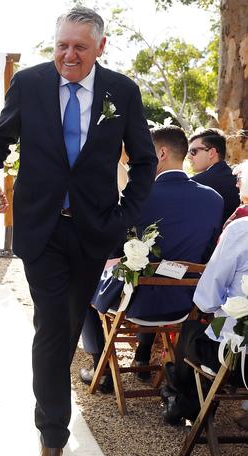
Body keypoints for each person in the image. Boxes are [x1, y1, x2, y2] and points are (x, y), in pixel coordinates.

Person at [0, 7, 157, 456]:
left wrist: (125, 216)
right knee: (53, 327)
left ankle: (54, 423)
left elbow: (144, 159)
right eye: (61, 45)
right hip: (42, 229)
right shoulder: (31, 83)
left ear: (100, 46)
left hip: (94, 229)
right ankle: (51, 439)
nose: (68, 55)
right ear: (52, 43)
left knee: (72, 323)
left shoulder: (123, 91)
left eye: (79, 46)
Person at [79, 126, 224, 390]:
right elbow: (206, 255)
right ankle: (143, 356)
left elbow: (113, 250)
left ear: (161, 153)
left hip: (136, 303)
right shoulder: (213, 200)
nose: (137, 160)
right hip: (185, 304)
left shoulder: (138, 197)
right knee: (150, 270)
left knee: (80, 282)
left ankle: (101, 368)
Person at [162, 215, 248, 424]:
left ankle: (182, 398)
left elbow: (206, 300)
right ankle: (177, 388)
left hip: (239, 364)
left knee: (192, 331)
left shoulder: (241, 231)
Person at [188, 128, 240, 223]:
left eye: (193, 151)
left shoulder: (196, 183)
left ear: (211, 152)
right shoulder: (239, 177)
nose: (189, 157)